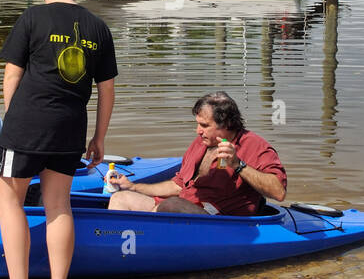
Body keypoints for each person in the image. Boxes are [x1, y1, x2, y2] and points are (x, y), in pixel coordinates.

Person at [0, 0, 116, 279]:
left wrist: (11, 121)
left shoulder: (31, 18)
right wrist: (99, 138)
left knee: (9, 200)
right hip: (71, 126)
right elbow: (107, 91)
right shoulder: (98, 27)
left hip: (28, 121)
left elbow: (12, 75)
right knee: (58, 205)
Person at [106, 92, 286, 215]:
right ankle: (114, 249)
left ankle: (141, 242)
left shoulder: (255, 146)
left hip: (219, 222)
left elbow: (279, 192)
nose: (197, 130)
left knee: (171, 205)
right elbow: (178, 186)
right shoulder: (201, 144)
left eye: (204, 125)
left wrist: (239, 165)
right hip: (182, 210)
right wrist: (133, 186)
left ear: (226, 124)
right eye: (198, 124)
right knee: (120, 198)